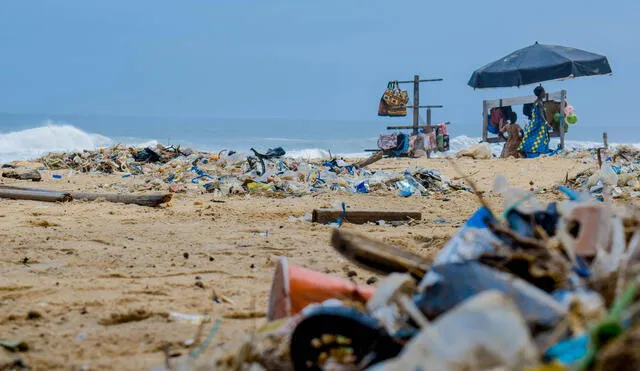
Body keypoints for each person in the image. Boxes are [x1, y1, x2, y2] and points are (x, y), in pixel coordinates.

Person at [517, 85, 552, 158]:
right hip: (539, 124)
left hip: (534, 122)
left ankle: (527, 150)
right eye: (544, 92)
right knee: (540, 138)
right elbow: (541, 114)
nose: (545, 93)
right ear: (541, 93)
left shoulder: (535, 102)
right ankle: (538, 152)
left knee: (532, 137)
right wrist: (546, 123)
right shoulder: (540, 102)